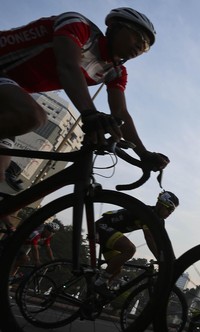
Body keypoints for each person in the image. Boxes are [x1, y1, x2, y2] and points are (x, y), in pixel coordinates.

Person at [0, 7, 169, 191]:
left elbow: (120, 112)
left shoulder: (116, 71)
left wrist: (143, 154)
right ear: (114, 26)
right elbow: (67, 66)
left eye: (145, 46)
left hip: (10, 91)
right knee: (33, 116)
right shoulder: (79, 26)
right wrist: (90, 114)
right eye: (138, 36)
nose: (140, 46)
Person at [94, 190, 178, 297]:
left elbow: (163, 242)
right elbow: (149, 238)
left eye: (172, 211)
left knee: (115, 269)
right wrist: (160, 259)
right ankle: (99, 283)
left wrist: (172, 259)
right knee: (130, 249)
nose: (170, 213)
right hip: (102, 226)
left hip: (110, 231)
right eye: (169, 209)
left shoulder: (160, 221)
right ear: (160, 204)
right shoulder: (149, 214)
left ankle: (94, 298)